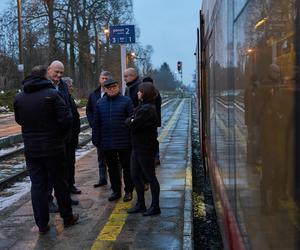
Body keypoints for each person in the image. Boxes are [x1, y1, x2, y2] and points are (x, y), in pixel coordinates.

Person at [14, 65, 79, 234]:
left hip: (32, 150)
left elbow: (20, 120)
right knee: (60, 183)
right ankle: (67, 217)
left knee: (37, 186)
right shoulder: (53, 94)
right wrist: (59, 136)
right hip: (54, 148)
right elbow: (67, 120)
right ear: (45, 76)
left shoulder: (19, 98)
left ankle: (42, 224)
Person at [92, 79, 134, 202]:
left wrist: (131, 139)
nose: (111, 89)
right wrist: (96, 139)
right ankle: (116, 191)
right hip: (107, 142)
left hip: (124, 141)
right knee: (112, 168)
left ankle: (128, 191)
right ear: (104, 89)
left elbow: (132, 120)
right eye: (108, 88)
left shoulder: (126, 101)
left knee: (127, 167)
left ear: (118, 87)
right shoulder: (100, 103)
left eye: (114, 87)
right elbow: (96, 123)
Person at [47, 60, 79, 213]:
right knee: (49, 172)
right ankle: (48, 200)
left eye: (61, 72)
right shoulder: (44, 86)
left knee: (63, 169)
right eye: (56, 72)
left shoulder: (63, 87)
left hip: (65, 136)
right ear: (49, 70)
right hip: (51, 137)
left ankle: (64, 198)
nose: (59, 75)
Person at [126, 82, 161, 216]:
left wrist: (131, 121)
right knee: (135, 175)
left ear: (145, 93)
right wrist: (131, 120)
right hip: (137, 146)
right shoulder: (143, 107)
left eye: (140, 91)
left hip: (145, 147)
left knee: (150, 176)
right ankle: (140, 203)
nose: (138, 93)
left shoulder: (147, 109)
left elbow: (132, 124)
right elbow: (132, 121)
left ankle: (155, 206)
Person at [86, 71, 112, 188]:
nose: (104, 80)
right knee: (100, 156)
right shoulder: (93, 94)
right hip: (98, 131)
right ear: (99, 79)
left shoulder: (113, 93)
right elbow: (89, 110)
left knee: (112, 158)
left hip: (110, 130)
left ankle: (114, 180)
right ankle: (102, 178)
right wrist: (93, 124)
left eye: (107, 78)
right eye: (103, 78)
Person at [62, 77, 81, 194]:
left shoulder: (70, 98)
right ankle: (66, 187)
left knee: (71, 163)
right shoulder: (63, 98)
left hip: (72, 137)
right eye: (70, 86)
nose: (72, 88)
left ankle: (71, 185)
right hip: (66, 138)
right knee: (66, 164)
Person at [142, 76, 162, 165]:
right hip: (155, 120)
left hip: (147, 121)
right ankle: (156, 156)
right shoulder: (156, 92)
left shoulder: (146, 93)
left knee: (149, 140)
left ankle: (153, 156)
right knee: (153, 139)